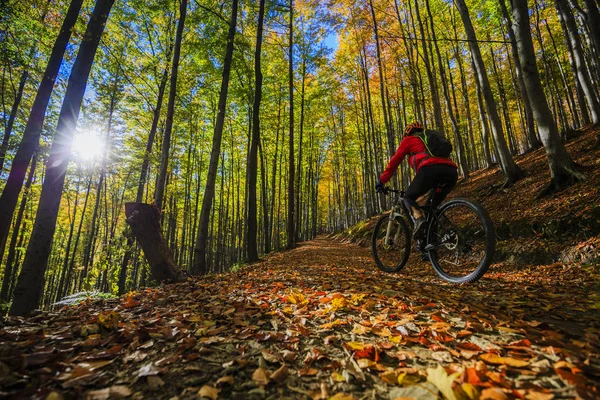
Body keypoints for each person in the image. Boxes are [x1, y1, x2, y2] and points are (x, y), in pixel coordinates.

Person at [376, 122, 458, 238]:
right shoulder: (430, 141)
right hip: (451, 171)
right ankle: (430, 249)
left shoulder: (409, 140)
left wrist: (382, 181)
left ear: (407, 134)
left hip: (430, 170)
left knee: (408, 197)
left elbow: (394, 161)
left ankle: (418, 218)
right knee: (431, 209)